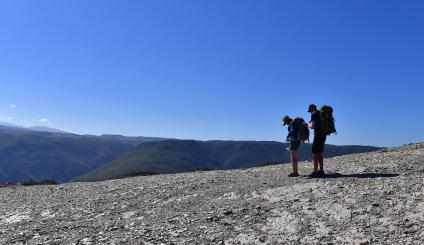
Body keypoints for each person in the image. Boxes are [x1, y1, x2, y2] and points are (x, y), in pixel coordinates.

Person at [308, 104, 326, 175]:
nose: (310, 112)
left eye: (310, 110)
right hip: (323, 135)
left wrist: (308, 126)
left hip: (318, 135)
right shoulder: (321, 113)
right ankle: (321, 170)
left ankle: (315, 171)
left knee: (315, 152)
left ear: (312, 109)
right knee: (319, 152)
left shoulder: (314, 114)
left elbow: (313, 126)